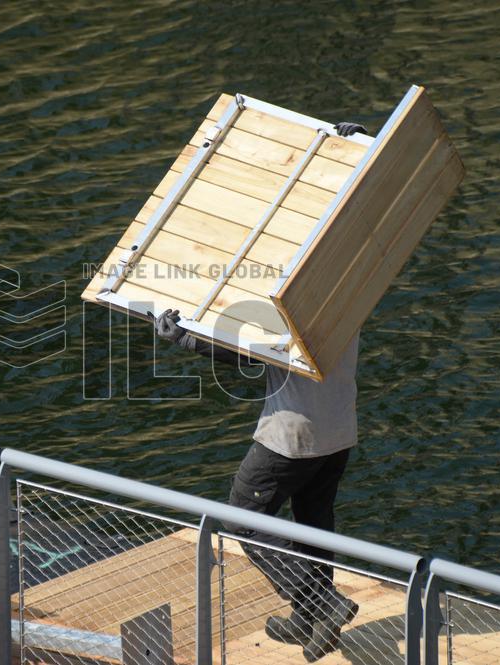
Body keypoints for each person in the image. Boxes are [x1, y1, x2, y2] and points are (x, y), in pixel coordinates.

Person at [150, 120, 367, 663]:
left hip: (291, 434)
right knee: (314, 525)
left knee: (243, 519)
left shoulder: (296, 299)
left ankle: (320, 602)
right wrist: (354, 153)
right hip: (339, 429)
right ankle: (310, 621)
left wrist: (187, 341)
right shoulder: (351, 283)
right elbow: (361, 224)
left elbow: (252, 354)